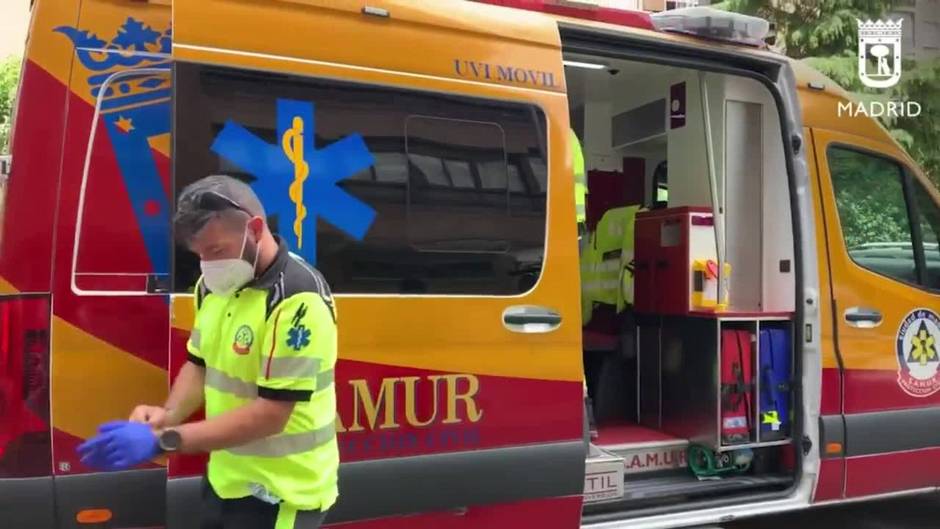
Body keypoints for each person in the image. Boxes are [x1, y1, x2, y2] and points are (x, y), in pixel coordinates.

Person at [77, 175, 340, 529]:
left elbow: (271, 414)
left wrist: (163, 442)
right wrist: (165, 415)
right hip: (226, 481)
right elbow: (199, 364)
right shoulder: (213, 286)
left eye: (216, 250)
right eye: (199, 254)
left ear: (255, 229)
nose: (208, 264)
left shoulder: (297, 298)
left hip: (282, 494)